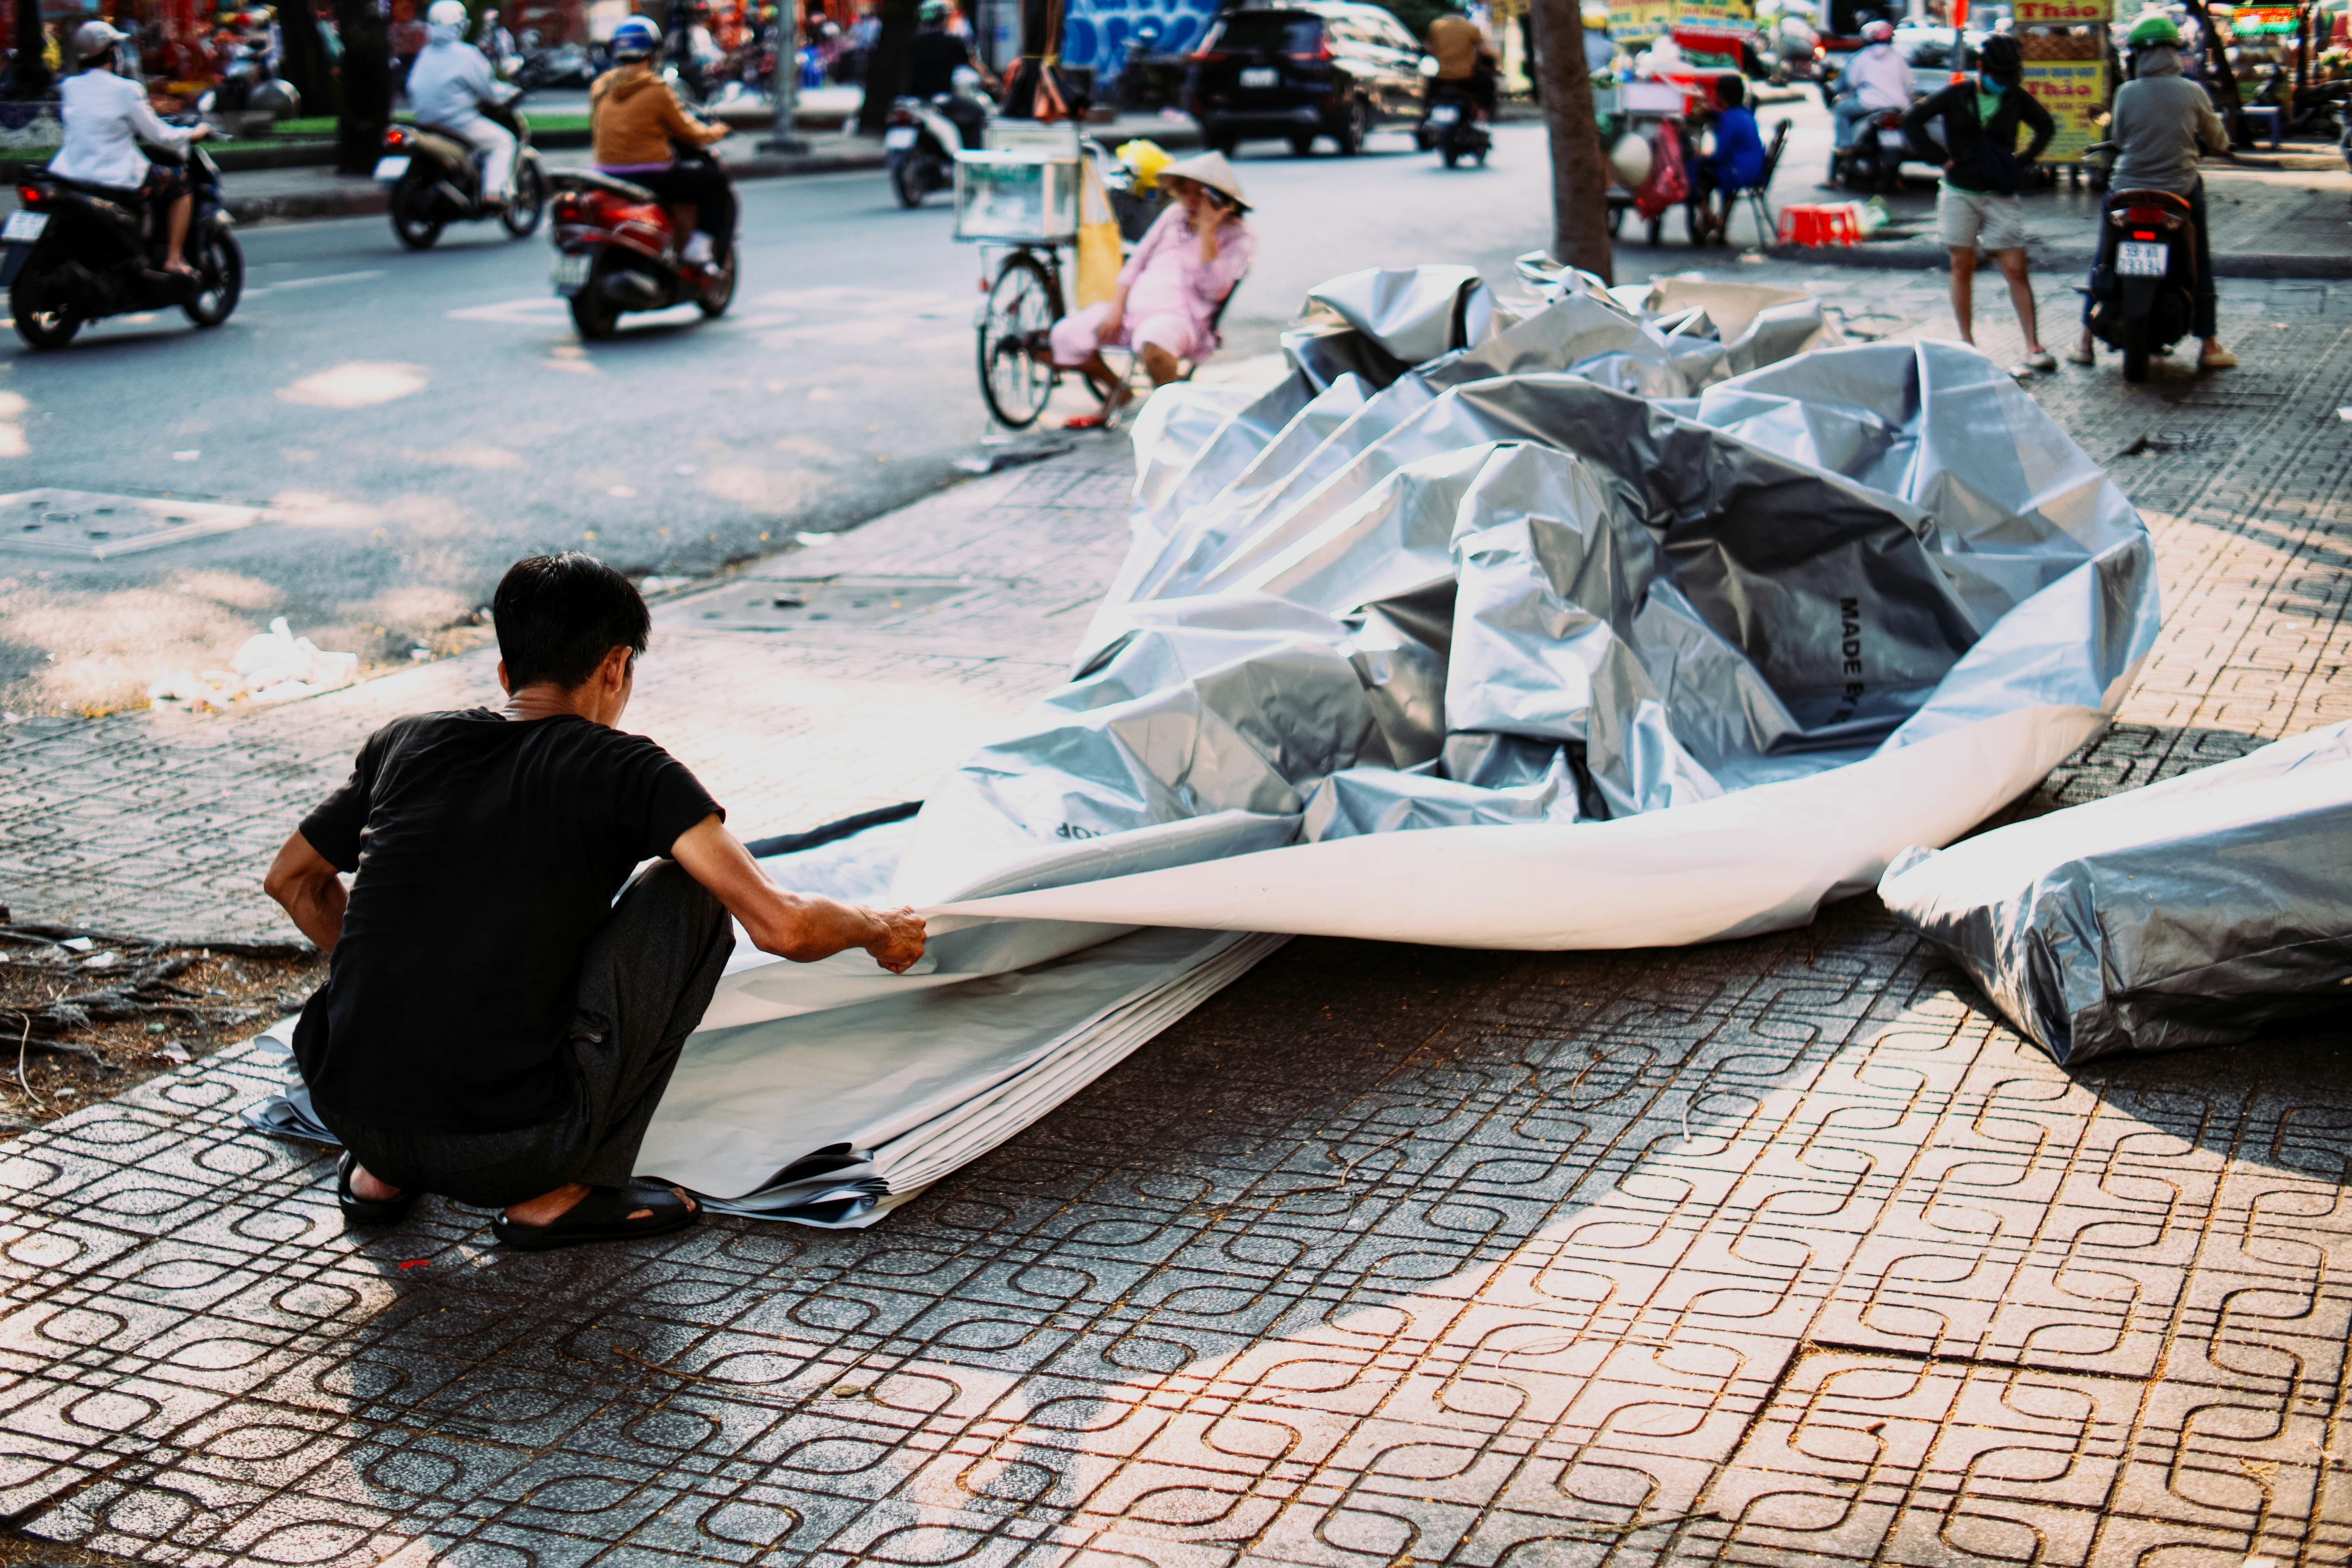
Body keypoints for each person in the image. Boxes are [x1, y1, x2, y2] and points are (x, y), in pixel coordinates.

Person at [264, 554, 928, 1251]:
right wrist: (877, 929)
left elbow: (292, 881)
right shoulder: (628, 768)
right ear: (615, 667)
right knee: (690, 891)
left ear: (504, 672)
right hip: (514, 1150)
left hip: (348, 1109)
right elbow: (782, 926)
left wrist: (403, 990)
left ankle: (380, 1176)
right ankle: (555, 1197)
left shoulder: (407, 742)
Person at [1047, 150, 1254, 427]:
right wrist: (1116, 310)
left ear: (1221, 200)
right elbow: (1135, 264)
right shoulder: (1173, 216)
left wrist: (1207, 232)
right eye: (1187, 193)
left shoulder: (1239, 237)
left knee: (1154, 344)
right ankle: (1118, 390)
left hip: (1181, 320)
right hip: (1132, 312)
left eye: (1200, 195)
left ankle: (1171, 416)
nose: (1191, 202)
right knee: (1062, 335)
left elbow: (1213, 290)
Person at [2072, 15, 2233, 369]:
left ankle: (2084, 343)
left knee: (2104, 258)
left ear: (2138, 56)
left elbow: (2121, 138)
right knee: (2199, 261)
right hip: (2179, 192)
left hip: (2126, 190)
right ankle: (2208, 346)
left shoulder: (2126, 93)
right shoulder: (2194, 92)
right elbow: (2219, 141)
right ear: (2176, 52)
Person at [1902, 32, 2057, 372]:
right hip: (1960, 192)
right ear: (1981, 68)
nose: (2003, 83)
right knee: (1962, 264)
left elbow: (2046, 126)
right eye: (1998, 75)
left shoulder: (2016, 97)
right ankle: (1966, 342)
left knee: (2016, 267)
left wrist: (2023, 158)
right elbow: (1912, 120)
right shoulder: (1958, 95)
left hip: (2000, 194)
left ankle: (2033, 345)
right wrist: (1938, 158)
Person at [49, 20, 207, 278]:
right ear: (112, 53)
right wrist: (196, 133)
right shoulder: (128, 90)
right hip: (116, 176)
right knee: (181, 184)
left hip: (72, 174)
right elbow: (161, 136)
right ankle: (174, 259)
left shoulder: (69, 87)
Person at [590, 15, 733, 266]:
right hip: (649, 173)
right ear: (652, 53)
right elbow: (689, 133)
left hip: (604, 171)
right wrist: (720, 131)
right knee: (716, 183)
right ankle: (697, 249)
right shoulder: (657, 89)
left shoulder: (601, 87)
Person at [407, 0, 516, 209]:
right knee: (504, 142)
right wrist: (507, 94)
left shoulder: (425, 54)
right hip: (458, 122)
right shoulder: (466, 54)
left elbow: (412, 86)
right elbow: (488, 90)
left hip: (426, 122)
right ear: (460, 26)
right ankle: (493, 193)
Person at [908, 0, 992, 146]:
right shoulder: (952, 43)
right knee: (978, 113)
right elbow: (970, 63)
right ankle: (971, 161)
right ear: (944, 19)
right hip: (941, 98)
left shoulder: (914, 42)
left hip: (916, 100)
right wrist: (989, 79)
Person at [1832, 19, 1913, 147]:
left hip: (1868, 104)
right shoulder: (1899, 58)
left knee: (1841, 109)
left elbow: (1852, 82)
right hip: (1899, 105)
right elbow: (1909, 84)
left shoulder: (1861, 57)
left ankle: (1845, 146)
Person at [1692, 72, 1766, 199]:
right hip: (1755, 171)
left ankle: (1711, 216)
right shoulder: (1745, 114)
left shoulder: (1728, 120)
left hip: (1737, 174)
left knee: (1695, 171)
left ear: (1721, 96)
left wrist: (1699, 158)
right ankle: (1714, 217)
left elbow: (1719, 156)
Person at [1426, 2, 1495, 118]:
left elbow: (1429, 49)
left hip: (1439, 76)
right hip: (1465, 77)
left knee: (1427, 92)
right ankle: (1482, 114)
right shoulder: (1471, 28)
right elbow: (1484, 52)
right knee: (1489, 85)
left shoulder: (1435, 25)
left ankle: (1426, 112)